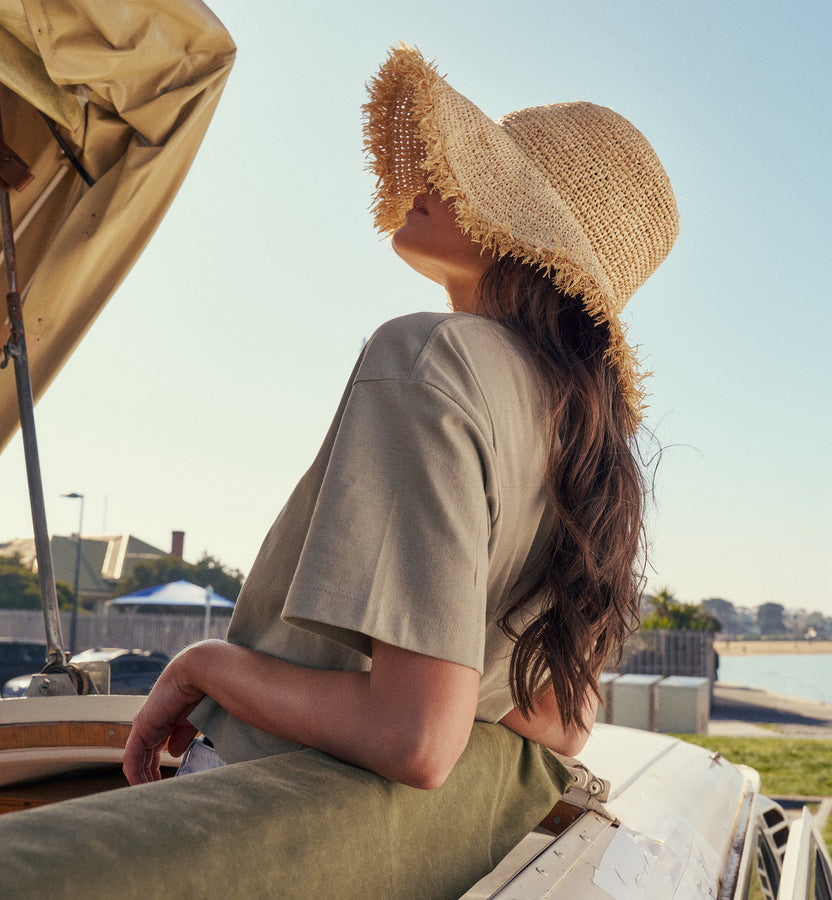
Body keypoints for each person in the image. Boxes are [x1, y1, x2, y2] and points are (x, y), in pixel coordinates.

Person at [119, 41, 678, 888]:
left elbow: (416, 738)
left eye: (472, 173)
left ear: (524, 234)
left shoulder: (429, 357)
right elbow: (563, 721)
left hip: (259, 827)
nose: (431, 174)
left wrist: (205, 666)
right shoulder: (579, 431)